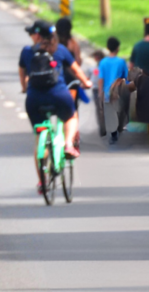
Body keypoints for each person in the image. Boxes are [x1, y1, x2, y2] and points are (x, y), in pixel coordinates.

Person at [19, 21, 92, 192]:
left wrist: (24, 88)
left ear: (37, 35)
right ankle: (68, 144)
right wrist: (86, 82)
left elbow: (22, 73)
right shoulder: (60, 50)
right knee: (71, 116)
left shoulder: (27, 52)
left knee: (39, 138)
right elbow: (76, 70)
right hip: (58, 95)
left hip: (34, 99)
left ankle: (42, 182)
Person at [99, 37, 129, 145]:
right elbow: (126, 76)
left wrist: (100, 92)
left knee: (110, 112)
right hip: (118, 91)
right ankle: (119, 127)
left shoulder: (103, 62)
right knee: (119, 110)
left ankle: (113, 133)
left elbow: (100, 78)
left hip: (107, 92)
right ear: (118, 48)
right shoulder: (121, 62)